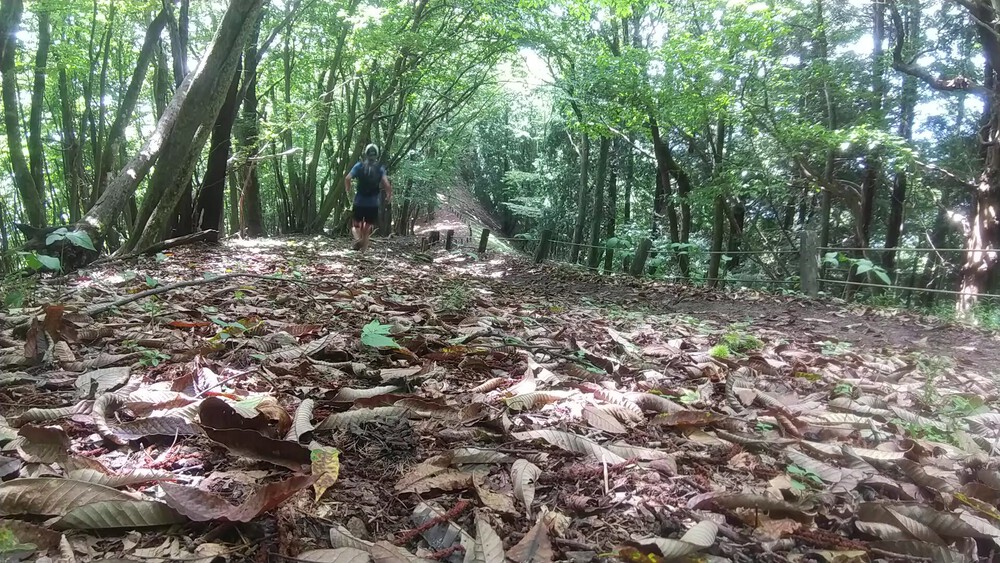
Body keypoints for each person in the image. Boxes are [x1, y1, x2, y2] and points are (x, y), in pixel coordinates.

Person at [344, 143, 392, 251]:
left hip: (359, 201)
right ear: (377, 155)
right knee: (367, 227)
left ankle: (358, 241)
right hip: (373, 203)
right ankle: (364, 251)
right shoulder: (380, 168)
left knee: (356, 226)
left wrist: (348, 189)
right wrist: (389, 195)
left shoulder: (359, 166)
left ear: (366, 154)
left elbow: (347, 178)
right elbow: (386, 183)